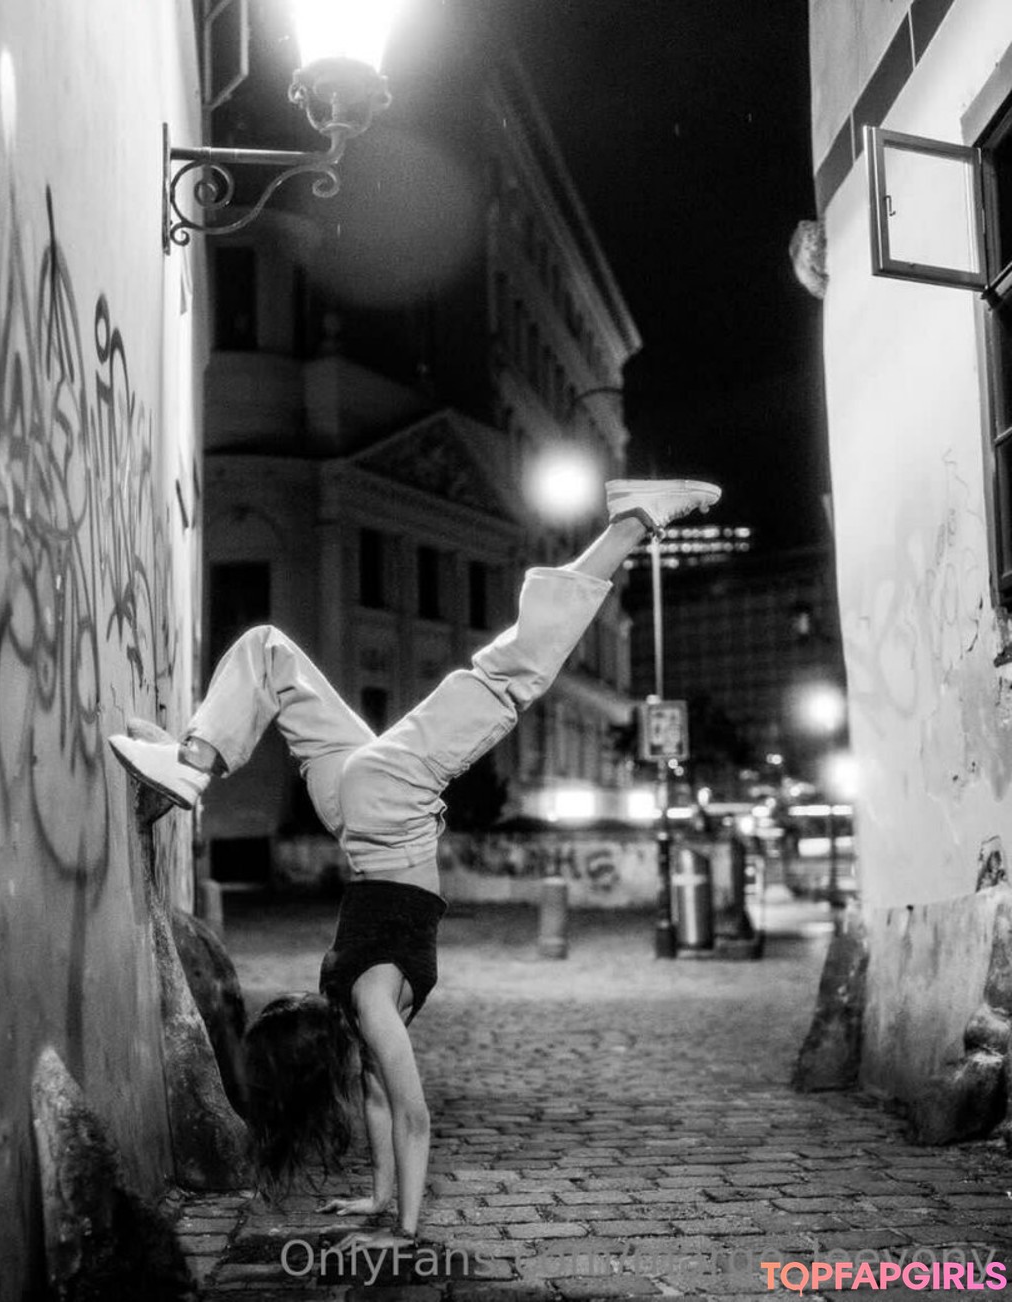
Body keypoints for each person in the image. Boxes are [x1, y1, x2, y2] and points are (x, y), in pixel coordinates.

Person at [108, 477, 720, 1250]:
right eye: (285, 1015)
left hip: (382, 809)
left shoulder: (362, 1009)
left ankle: (194, 759)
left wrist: (391, 1217)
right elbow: (397, 1112)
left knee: (492, 676)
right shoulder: (360, 1009)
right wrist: (387, 1216)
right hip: (366, 809)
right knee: (285, 656)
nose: (287, 1001)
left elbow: (397, 1111)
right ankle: (193, 757)